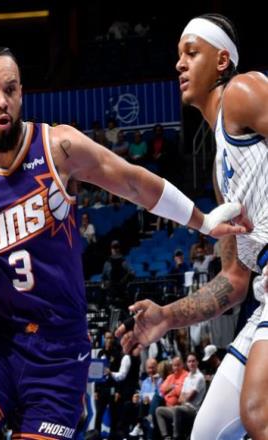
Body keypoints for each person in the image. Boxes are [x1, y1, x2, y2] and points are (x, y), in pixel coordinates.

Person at [0, 46, 248, 440]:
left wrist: (202, 221)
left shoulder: (57, 147)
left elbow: (132, 181)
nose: (2, 101)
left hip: (60, 351)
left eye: (10, 90)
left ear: (21, 93)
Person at [115, 13, 268, 440]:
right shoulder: (221, 170)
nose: (179, 63)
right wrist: (166, 317)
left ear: (222, 60)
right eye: (179, 55)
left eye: (192, 52)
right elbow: (234, 281)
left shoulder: (241, 91)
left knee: (258, 412)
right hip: (262, 292)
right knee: (208, 432)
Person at [155, 353, 205, 440]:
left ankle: (176, 437)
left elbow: (190, 397)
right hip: (182, 407)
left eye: (193, 361)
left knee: (177, 409)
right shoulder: (188, 377)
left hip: (192, 409)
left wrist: (184, 395)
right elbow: (180, 398)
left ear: (197, 362)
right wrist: (184, 395)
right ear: (187, 364)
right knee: (159, 410)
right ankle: (166, 437)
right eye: (189, 361)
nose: (191, 363)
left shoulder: (199, 377)